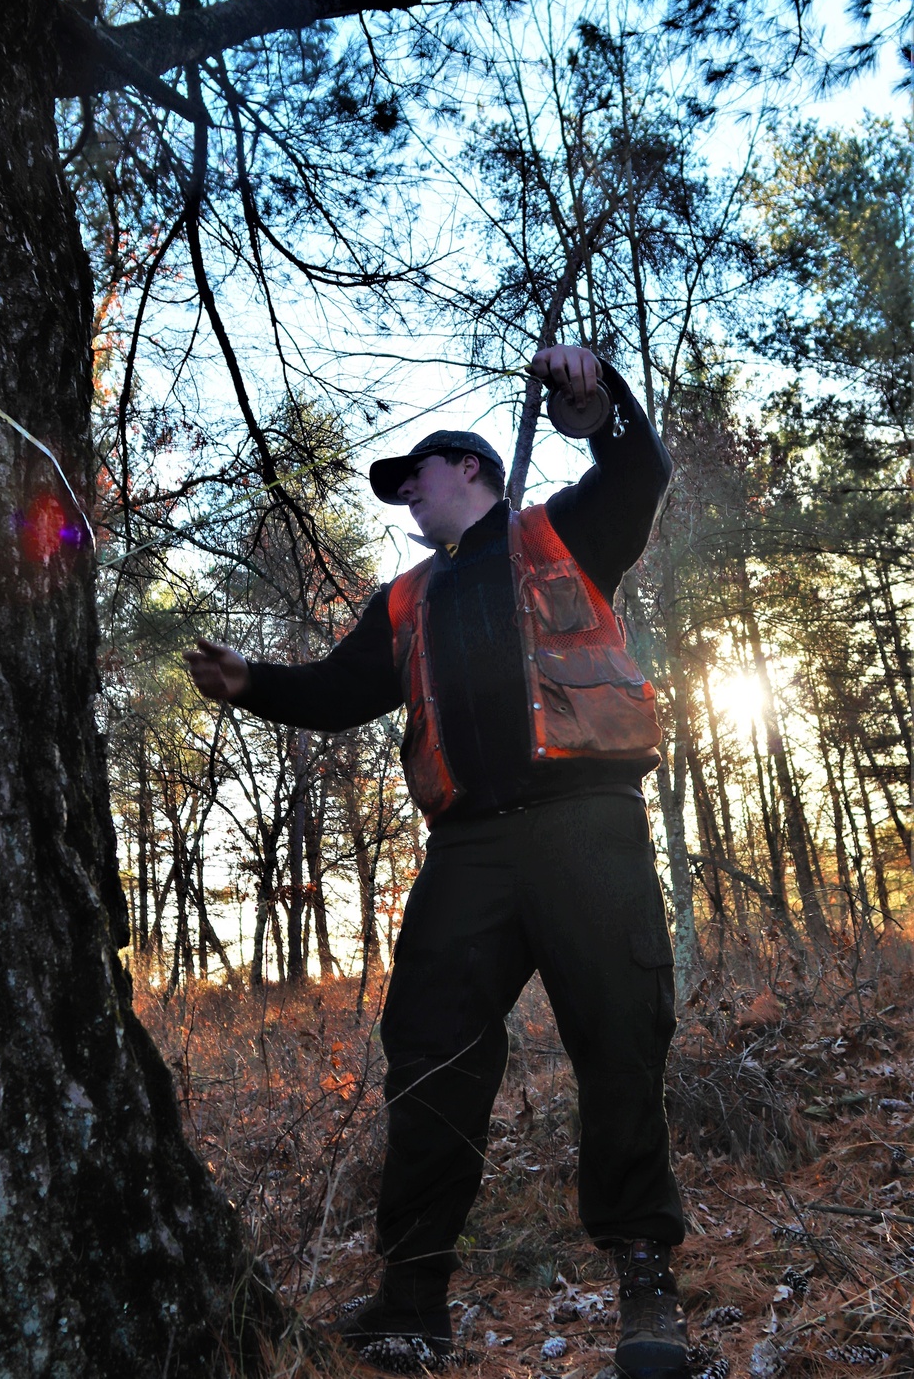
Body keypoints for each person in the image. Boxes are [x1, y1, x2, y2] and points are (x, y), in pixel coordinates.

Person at [184, 345, 688, 1378]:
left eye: (417, 474)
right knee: (430, 1054)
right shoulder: (404, 600)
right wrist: (253, 684)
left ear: (469, 470)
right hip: (467, 851)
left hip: (587, 823)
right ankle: (413, 1299)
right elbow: (336, 692)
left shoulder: (559, 533)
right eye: (398, 484)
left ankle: (644, 1289)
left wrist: (594, 404)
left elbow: (640, 473)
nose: (406, 493)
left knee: (619, 1042)